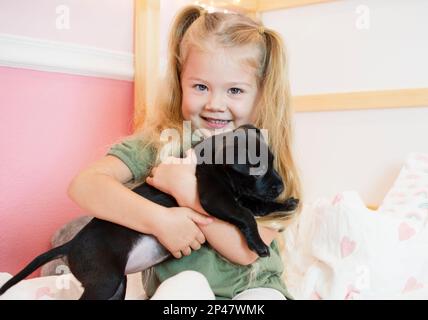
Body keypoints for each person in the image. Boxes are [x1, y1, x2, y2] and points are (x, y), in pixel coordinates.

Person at [67, 5, 301, 300]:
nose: (215, 103)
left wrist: (186, 192)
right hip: (182, 293)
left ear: (261, 95)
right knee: (185, 285)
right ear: (180, 82)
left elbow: (245, 252)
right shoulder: (161, 143)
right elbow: (85, 186)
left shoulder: (262, 161)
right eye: (201, 86)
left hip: (254, 289)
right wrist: (158, 220)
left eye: (235, 91)